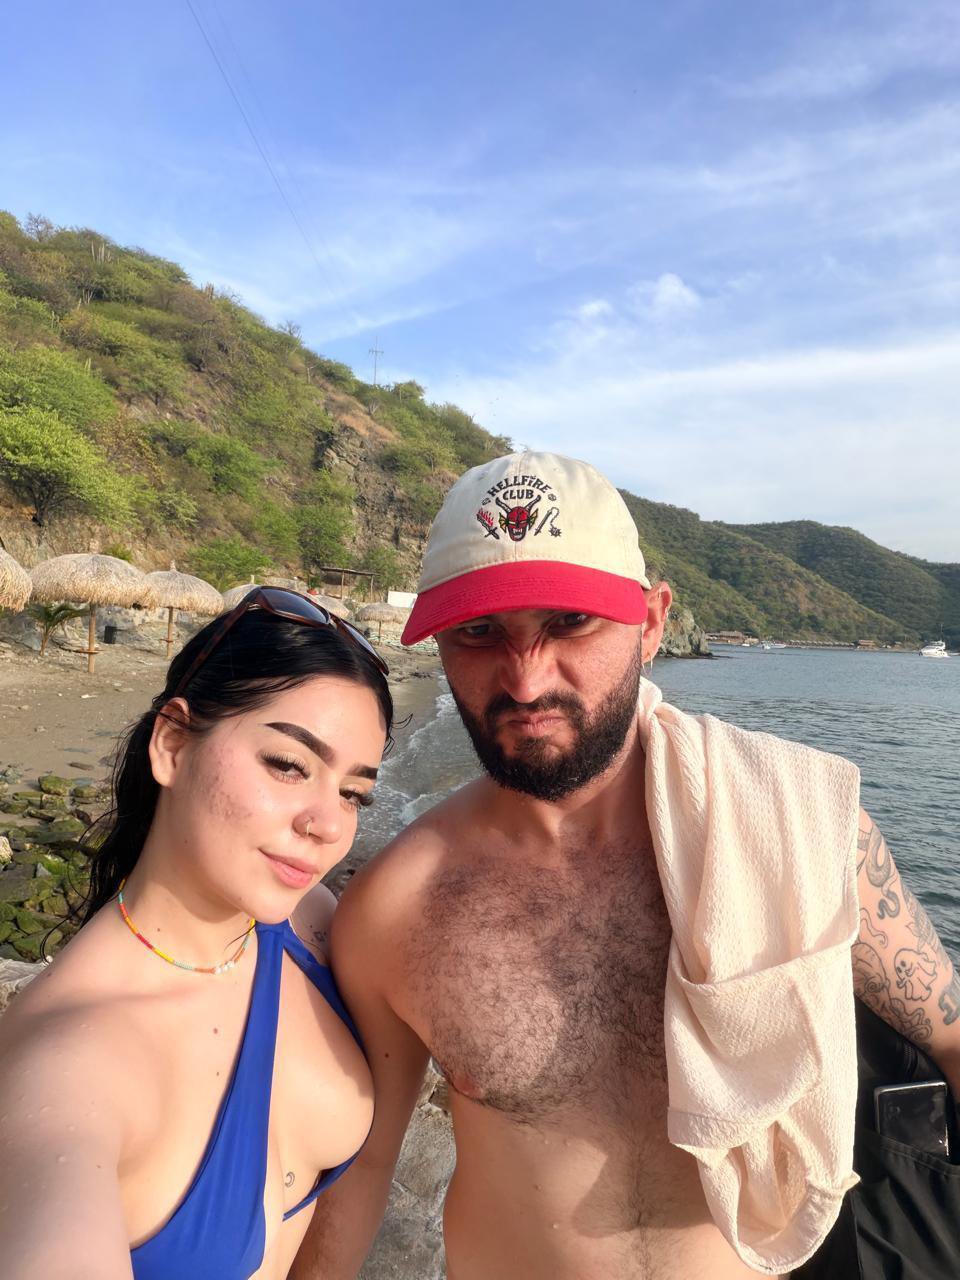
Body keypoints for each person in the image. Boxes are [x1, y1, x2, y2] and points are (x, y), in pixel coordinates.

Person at [293, 452, 960, 1280]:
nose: (525, 681)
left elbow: (951, 1036)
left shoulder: (804, 826)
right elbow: (361, 1169)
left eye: (570, 622)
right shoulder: (399, 906)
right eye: (479, 632)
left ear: (651, 622)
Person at [0, 588, 392, 1280]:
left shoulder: (308, 923)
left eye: (353, 793)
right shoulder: (69, 1074)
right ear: (173, 744)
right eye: (288, 765)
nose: (328, 824)